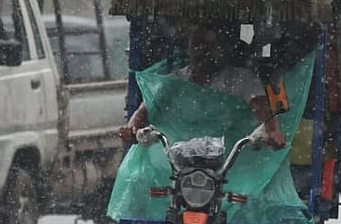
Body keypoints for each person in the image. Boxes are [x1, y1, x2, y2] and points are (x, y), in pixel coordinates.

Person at [117, 21, 287, 149]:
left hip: (229, 160)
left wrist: (272, 130)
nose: (202, 51)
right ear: (188, 48)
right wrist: (132, 129)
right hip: (178, 161)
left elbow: (261, 107)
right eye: (196, 45)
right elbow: (144, 111)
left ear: (222, 50)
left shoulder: (240, 79)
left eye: (210, 46)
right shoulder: (175, 81)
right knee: (136, 180)